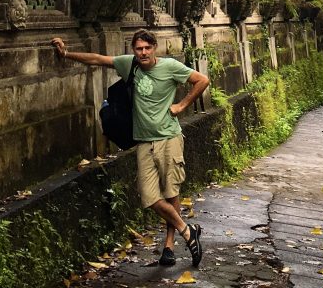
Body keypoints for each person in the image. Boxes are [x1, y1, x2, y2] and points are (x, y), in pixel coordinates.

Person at [52, 28, 208, 268]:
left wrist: (181, 105)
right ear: (133, 50)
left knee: (171, 193)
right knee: (149, 197)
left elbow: (202, 80)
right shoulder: (130, 65)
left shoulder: (170, 67)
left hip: (169, 138)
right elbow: (98, 59)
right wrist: (66, 54)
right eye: (138, 49)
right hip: (144, 141)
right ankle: (187, 230)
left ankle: (168, 246)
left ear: (154, 48)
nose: (143, 53)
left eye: (147, 48)